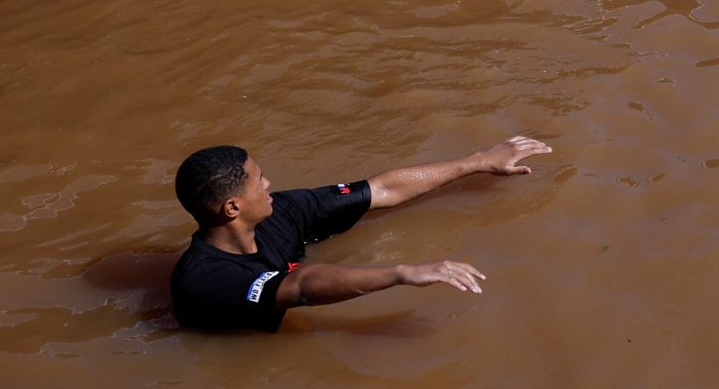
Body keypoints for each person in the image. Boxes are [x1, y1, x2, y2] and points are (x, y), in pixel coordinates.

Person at [169, 136, 551, 331]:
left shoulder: (281, 210)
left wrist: (479, 161)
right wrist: (402, 273)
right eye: (258, 181)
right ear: (232, 208)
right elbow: (300, 287)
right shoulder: (203, 280)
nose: (268, 183)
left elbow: (381, 190)